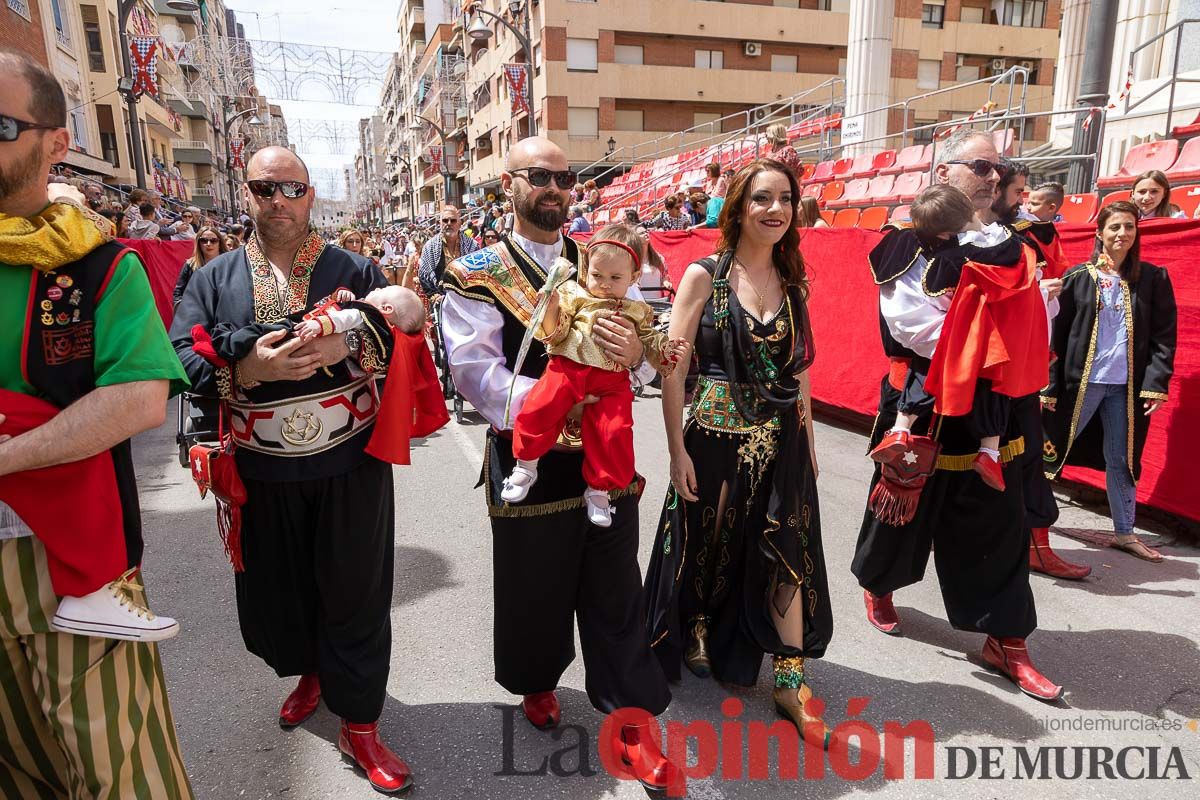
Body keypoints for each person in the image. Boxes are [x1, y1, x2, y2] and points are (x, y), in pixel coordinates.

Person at [171, 146, 430, 795]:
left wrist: (354, 340)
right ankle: (310, 672)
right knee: (279, 593)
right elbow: (177, 356)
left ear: (311, 195)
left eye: (290, 188)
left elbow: (408, 331)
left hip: (351, 459)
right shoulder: (212, 277)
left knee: (357, 593)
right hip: (260, 466)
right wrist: (246, 368)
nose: (277, 200)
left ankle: (362, 724)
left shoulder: (354, 267)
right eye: (264, 188)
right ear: (247, 194)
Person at [441, 136, 680, 792]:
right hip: (530, 453)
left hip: (606, 457)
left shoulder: (604, 261)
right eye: (538, 176)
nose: (553, 187)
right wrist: (552, 407)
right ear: (509, 184)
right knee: (533, 589)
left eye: (563, 176)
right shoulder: (476, 270)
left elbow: (641, 343)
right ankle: (537, 681)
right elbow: (471, 370)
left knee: (616, 593)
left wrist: (635, 347)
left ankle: (632, 721)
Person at [0, 48, 195, 797]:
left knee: (126, 778)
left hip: (73, 567)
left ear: (55, 142)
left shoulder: (96, 265)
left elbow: (141, 399)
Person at [851, 129, 1063, 701]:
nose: (993, 176)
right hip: (928, 398)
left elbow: (1042, 309)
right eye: (981, 166)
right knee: (901, 509)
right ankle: (880, 586)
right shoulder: (906, 242)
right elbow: (911, 329)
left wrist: (1030, 313)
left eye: (999, 168)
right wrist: (993, 333)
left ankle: (1008, 640)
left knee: (1000, 520)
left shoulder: (1014, 242)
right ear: (946, 172)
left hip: (996, 403)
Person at [643, 158, 833, 745]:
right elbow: (674, 370)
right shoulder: (705, 275)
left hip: (779, 441)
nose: (775, 210)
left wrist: (809, 437)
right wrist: (675, 448)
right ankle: (697, 625)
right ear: (738, 208)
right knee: (709, 537)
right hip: (712, 434)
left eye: (785, 199)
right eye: (761, 199)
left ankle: (790, 678)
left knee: (786, 547)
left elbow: (799, 372)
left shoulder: (794, 281)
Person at [501, 225, 688, 525]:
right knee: (542, 403)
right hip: (569, 367)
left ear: (633, 278)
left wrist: (665, 349)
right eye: (597, 275)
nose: (603, 284)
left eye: (615, 278)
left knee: (614, 430)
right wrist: (549, 308)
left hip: (612, 381)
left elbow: (651, 343)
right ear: (587, 269)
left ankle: (599, 489)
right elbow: (556, 331)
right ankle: (526, 463)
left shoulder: (637, 310)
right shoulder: (574, 294)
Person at [872, 184, 1045, 492]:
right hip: (998, 345)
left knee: (925, 370)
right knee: (997, 392)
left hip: (958, 338)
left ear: (941, 234)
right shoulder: (1019, 247)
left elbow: (929, 303)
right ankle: (990, 452)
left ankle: (900, 429)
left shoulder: (951, 258)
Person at [1042, 201, 1177, 563]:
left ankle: (1124, 532)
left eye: (1129, 227)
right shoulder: (1077, 278)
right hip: (1079, 384)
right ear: (1099, 232)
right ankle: (1026, 527)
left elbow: (1164, 337)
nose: (1123, 234)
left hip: (1125, 388)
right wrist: (1050, 385)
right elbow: (1056, 336)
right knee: (1048, 452)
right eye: (1115, 227)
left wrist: (1156, 383)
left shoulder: (1153, 279)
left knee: (1123, 459)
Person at [418, 204, 478, 301]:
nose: (449, 223)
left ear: (460, 223)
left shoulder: (472, 246)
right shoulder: (430, 247)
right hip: (441, 300)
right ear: (440, 223)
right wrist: (435, 295)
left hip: (467, 299)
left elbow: (478, 273)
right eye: (445, 220)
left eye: (453, 220)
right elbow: (424, 275)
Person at [173, 225, 228, 306]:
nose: (208, 244)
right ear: (198, 243)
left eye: (213, 240)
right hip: (197, 312)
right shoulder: (190, 265)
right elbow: (178, 293)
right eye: (204, 240)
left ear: (219, 242)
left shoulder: (229, 263)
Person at [636, 226, 672, 300]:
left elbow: (665, 276)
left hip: (658, 302)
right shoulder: (632, 260)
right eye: (642, 233)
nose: (646, 234)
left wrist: (666, 282)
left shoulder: (658, 258)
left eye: (646, 231)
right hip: (639, 302)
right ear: (635, 238)